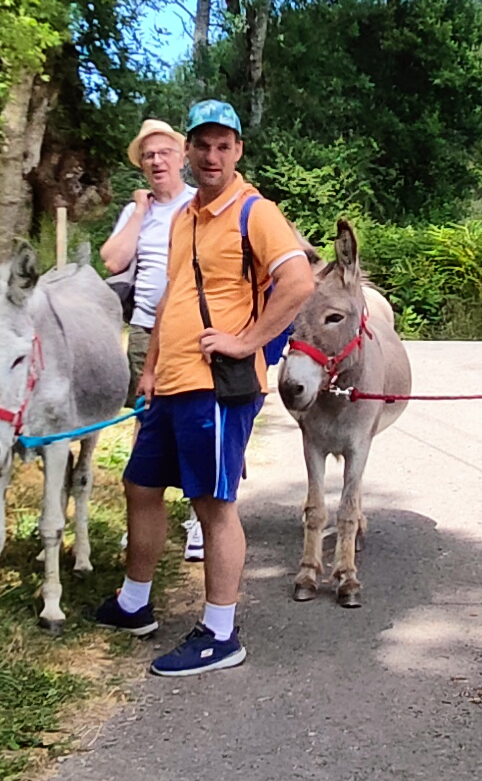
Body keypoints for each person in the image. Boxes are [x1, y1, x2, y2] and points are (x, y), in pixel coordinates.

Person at [87, 99, 316, 675]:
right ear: (188, 150)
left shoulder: (255, 212)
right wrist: (150, 368)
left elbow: (299, 281)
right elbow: (172, 297)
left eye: (224, 145)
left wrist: (246, 341)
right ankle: (134, 604)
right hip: (171, 382)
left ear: (238, 151)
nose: (212, 156)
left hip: (217, 386)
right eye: (203, 145)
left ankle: (220, 633)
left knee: (213, 505)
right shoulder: (187, 215)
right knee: (140, 484)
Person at [100, 118, 207, 563]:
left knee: (194, 424)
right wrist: (141, 212)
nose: (157, 161)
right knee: (147, 426)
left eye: (165, 153)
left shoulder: (199, 202)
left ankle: (198, 521)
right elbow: (112, 260)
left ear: (183, 157)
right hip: (145, 328)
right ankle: (144, 524)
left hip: (191, 331)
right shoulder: (137, 211)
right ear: (141, 166)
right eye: (148, 156)